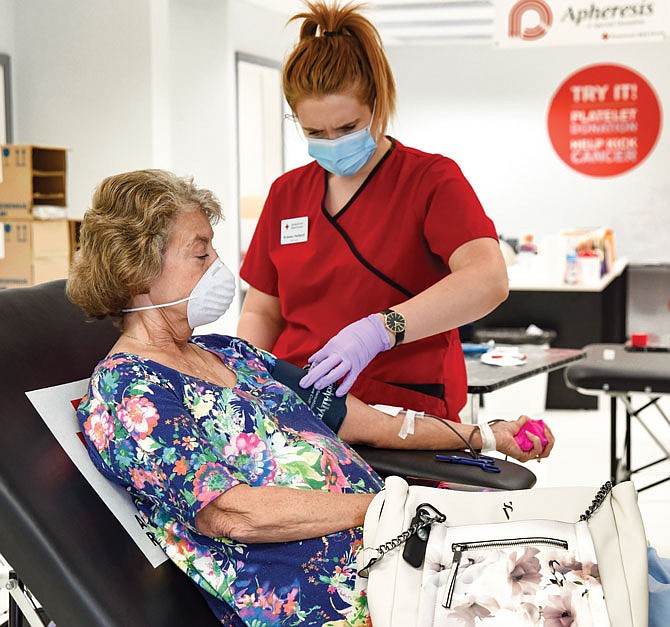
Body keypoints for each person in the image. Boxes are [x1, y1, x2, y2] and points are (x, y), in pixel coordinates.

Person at [68, 169, 553, 627]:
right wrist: (383, 510)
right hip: (333, 596)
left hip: (392, 550)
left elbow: (361, 421)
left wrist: (484, 434)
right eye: (201, 253)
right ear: (137, 270)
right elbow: (233, 512)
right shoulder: (129, 392)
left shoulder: (230, 353)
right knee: (551, 593)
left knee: (560, 565)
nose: (219, 267)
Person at [237, 0, 510, 422]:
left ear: (377, 105)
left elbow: (488, 279)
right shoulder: (287, 194)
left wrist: (379, 331)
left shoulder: (430, 180)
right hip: (299, 407)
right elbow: (261, 310)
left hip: (404, 408)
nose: (332, 142)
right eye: (315, 132)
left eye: (347, 128)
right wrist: (248, 379)